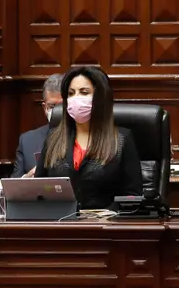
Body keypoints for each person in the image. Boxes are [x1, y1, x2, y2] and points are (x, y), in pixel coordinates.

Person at [36, 66, 143, 209]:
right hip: (61, 225)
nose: (76, 99)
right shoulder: (53, 139)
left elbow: (133, 195)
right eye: (71, 93)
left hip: (105, 227)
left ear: (100, 98)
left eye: (84, 92)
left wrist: (109, 216)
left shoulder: (121, 140)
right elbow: (38, 189)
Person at [12, 73, 65, 178]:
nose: (58, 111)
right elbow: (14, 183)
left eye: (62, 106)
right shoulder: (27, 141)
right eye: (52, 106)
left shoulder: (86, 138)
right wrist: (27, 179)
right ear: (44, 108)